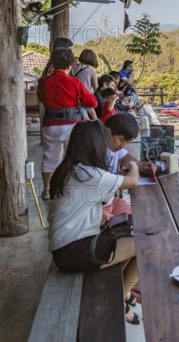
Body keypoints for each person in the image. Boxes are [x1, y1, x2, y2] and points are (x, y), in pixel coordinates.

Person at [47, 120, 141, 324]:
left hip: (66, 248)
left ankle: (121, 293)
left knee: (128, 231)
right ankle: (120, 300)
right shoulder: (89, 174)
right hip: (74, 250)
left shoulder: (72, 169)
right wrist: (133, 163)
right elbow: (133, 180)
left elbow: (106, 191)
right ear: (93, 145)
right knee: (145, 243)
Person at [37, 48, 97, 200]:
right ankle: (71, 189)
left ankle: (46, 190)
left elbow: (43, 99)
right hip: (72, 126)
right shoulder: (74, 82)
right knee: (75, 157)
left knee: (50, 157)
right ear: (70, 65)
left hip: (51, 125)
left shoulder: (43, 82)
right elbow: (92, 102)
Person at [102, 113, 157, 225]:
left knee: (141, 220)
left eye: (127, 142)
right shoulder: (98, 150)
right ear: (108, 132)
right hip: (93, 207)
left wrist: (141, 166)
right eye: (121, 139)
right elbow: (100, 184)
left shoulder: (113, 147)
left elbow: (126, 158)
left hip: (110, 201)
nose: (123, 145)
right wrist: (127, 171)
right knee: (125, 230)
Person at [71, 49, 99, 120]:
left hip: (74, 98)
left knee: (85, 117)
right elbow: (96, 89)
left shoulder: (72, 68)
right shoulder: (92, 72)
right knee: (94, 118)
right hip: (86, 98)